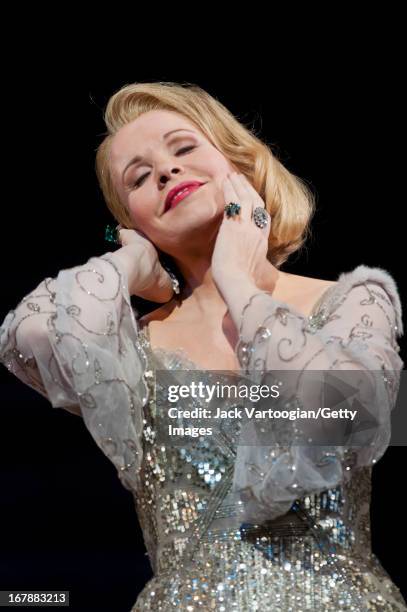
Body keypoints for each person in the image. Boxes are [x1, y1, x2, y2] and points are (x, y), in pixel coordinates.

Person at [0, 81, 405, 611]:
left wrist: (237, 281)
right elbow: (29, 334)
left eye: (184, 148)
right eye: (139, 178)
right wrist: (128, 266)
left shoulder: (353, 299)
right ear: (135, 224)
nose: (165, 171)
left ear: (241, 163)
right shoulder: (130, 350)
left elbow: (356, 415)